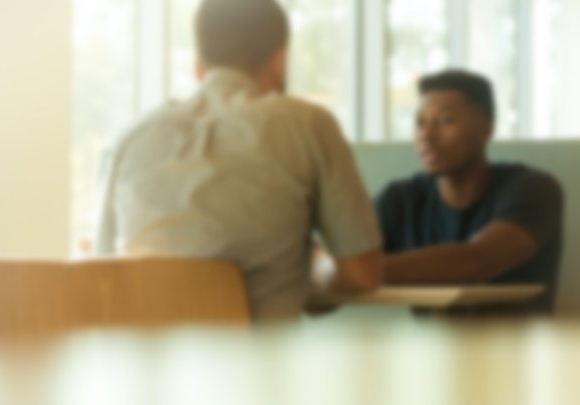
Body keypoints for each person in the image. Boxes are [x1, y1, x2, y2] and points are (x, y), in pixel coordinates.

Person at [94, 0, 383, 322]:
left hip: (141, 367)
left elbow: (103, 271)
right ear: (280, 62)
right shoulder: (308, 125)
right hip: (257, 367)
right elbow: (361, 275)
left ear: (199, 67)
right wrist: (318, 268)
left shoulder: (132, 136)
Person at [376, 69, 564, 313]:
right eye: (420, 123)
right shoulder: (401, 199)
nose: (426, 135)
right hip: (427, 348)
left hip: (516, 348)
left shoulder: (533, 189)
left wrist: (356, 271)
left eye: (445, 120)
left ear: (485, 130)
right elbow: (337, 255)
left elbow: (476, 262)